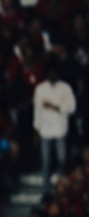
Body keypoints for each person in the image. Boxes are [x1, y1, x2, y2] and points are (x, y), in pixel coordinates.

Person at [33, 62, 77, 192]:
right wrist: (36, 128)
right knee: (46, 161)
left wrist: (55, 107)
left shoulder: (65, 88)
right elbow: (37, 110)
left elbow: (72, 107)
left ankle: (62, 188)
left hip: (60, 129)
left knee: (61, 160)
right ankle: (46, 189)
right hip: (45, 130)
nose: (52, 75)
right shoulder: (40, 89)